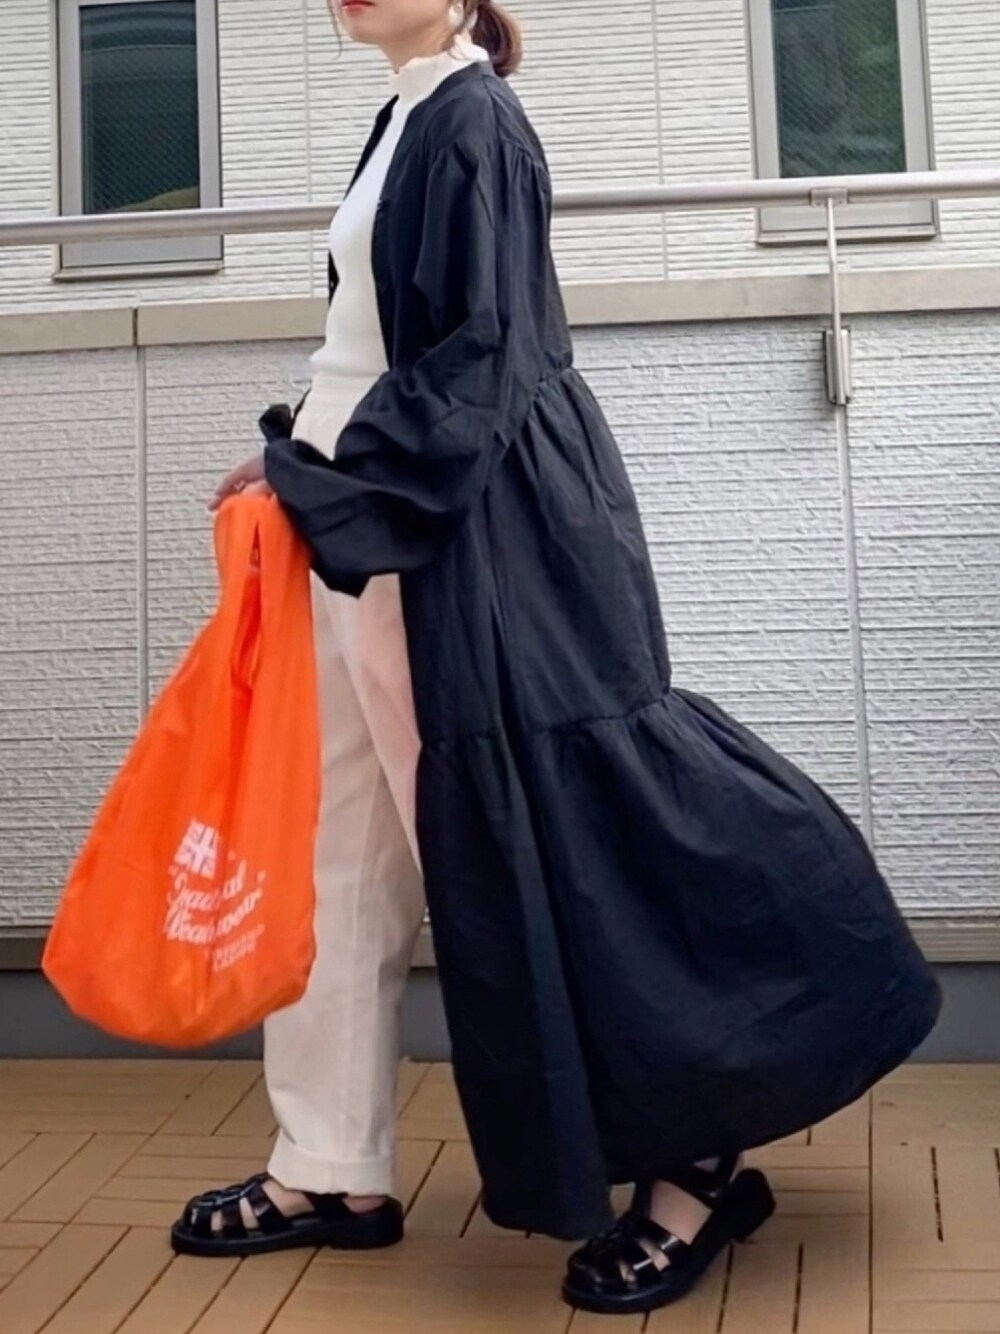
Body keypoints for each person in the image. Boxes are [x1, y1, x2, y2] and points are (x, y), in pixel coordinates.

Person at [170, 0, 941, 1316]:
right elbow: (383, 344)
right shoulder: (409, 110)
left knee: (556, 841)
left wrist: (324, 479)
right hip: (360, 523)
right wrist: (292, 447)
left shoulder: (477, 121)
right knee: (338, 852)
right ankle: (329, 1168)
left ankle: (693, 1157)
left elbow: (485, 359)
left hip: (456, 537)